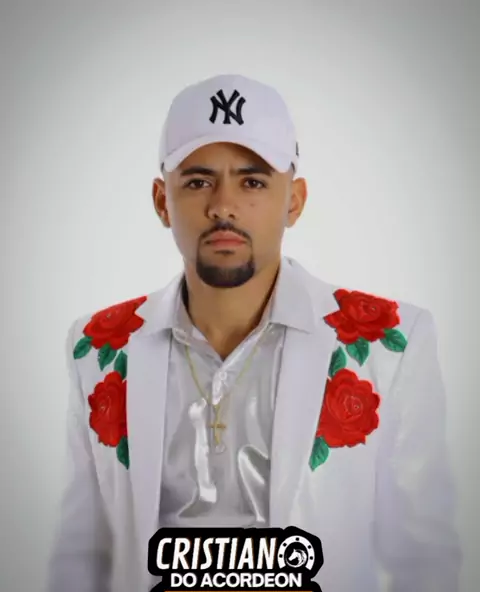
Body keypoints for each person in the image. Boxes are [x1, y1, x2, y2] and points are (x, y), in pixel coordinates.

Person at [47, 74, 462, 592]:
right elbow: (81, 555)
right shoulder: (98, 347)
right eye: (198, 181)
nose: (223, 205)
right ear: (161, 200)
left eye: (253, 182)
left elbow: (424, 559)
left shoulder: (388, 344)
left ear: (294, 200)